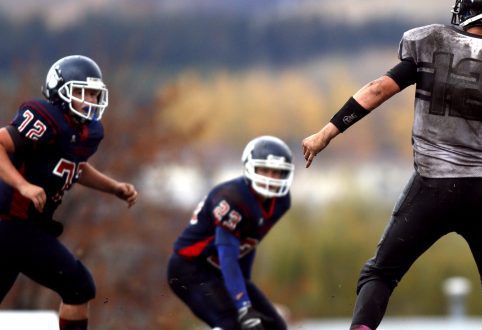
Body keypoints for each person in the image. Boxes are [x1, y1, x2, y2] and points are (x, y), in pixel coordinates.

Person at [302, 0, 482, 328]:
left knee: (380, 273)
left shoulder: (431, 41)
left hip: (433, 184)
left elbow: (378, 89)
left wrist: (326, 132)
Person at [0, 55, 139, 330]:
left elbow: (74, 167)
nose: (89, 100)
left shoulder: (87, 132)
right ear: (59, 92)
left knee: (78, 287)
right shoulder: (47, 118)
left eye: (93, 93)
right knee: (78, 286)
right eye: (81, 92)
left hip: (24, 227)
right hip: (9, 222)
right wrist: (23, 185)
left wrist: (114, 187)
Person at [167, 135, 294, 330]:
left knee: (275, 326)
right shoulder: (231, 197)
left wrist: (245, 287)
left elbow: (249, 243)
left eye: (277, 172)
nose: (271, 178)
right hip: (190, 269)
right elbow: (227, 254)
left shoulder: (281, 202)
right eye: (265, 170)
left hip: (222, 270)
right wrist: (243, 305)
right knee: (232, 325)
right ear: (250, 167)